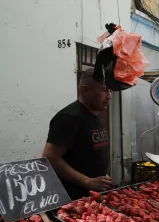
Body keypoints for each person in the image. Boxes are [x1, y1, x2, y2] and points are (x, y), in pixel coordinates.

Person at [42, 69, 114, 200]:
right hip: (72, 200)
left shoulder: (96, 116)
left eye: (110, 91)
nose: (109, 96)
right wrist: (87, 181)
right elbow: (50, 157)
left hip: (93, 197)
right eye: (104, 90)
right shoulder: (69, 118)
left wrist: (102, 176)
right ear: (85, 89)